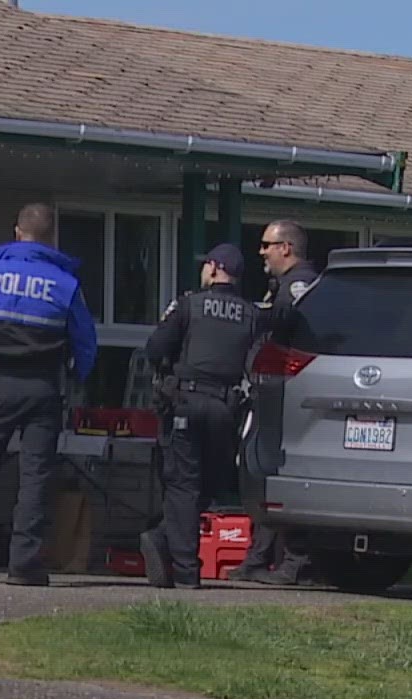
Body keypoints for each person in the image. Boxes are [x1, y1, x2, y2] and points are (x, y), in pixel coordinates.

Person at [0, 203, 97, 587]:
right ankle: (23, 565)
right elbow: (86, 344)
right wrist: (75, 378)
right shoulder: (66, 285)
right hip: (44, 388)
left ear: (17, 232)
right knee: (35, 477)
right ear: (51, 238)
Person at [137, 243, 265, 589]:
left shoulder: (189, 305)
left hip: (185, 404)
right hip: (226, 410)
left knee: (182, 486)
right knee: (209, 487)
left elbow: (155, 348)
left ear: (212, 268)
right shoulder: (252, 313)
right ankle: (164, 540)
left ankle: (184, 570)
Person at [232, 218, 319, 586]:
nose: (261, 251)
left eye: (268, 244)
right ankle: (259, 557)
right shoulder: (281, 286)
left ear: (287, 248)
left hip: (290, 396)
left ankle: (297, 560)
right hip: (272, 394)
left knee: (284, 474)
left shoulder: (298, 285)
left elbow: (288, 328)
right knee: (264, 473)